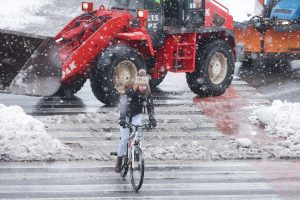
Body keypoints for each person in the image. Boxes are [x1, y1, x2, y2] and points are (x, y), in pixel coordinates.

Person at [115, 69, 157, 173]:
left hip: (136, 114)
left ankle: (136, 153)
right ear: (137, 85)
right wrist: (122, 119)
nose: (143, 88)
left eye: (144, 86)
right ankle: (119, 161)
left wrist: (152, 119)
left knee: (138, 134)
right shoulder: (130, 91)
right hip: (125, 114)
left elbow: (150, 107)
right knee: (124, 139)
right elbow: (124, 105)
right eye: (141, 86)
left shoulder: (148, 93)